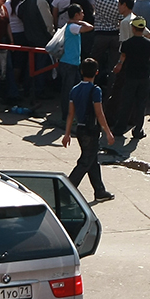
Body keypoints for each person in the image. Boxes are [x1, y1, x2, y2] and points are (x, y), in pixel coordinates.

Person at [63, 59, 116, 202]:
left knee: (92, 160)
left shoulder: (75, 89)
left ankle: (99, 190)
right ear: (96, 72)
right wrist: (108, 132)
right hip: (91, 131)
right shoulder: (95, 90)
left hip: (80, 130)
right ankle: (66, 190)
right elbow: (99, 113)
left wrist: (67, 134)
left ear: (81, 72)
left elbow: (70, 114)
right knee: (86, 161)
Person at [114, 17, 150, 139]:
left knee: (126, 102)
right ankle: (138, 130)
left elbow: (123, 56)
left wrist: (119, 65)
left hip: (130, 75)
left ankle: (120, 129)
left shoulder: (127, 43)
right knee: (141, 104)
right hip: (145, 76)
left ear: (133, 28)